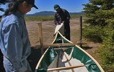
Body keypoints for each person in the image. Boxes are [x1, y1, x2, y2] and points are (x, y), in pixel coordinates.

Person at [0, 0, 38, 72]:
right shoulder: (13, 23)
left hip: (20, 61)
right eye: (30, 7)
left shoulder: (17, 17)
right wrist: (21, 69)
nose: (30, 10)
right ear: (24, 4)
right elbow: (13, 53)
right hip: (15, 66)